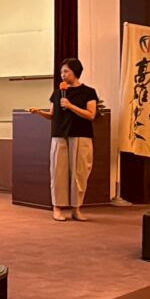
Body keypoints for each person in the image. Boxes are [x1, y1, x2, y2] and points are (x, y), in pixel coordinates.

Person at [28, 58, 99, 222]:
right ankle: (57, 208)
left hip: (81, 135)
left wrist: (70, 105)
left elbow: (91, 115)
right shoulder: (57, 93)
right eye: (61, 72)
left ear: (76, 72)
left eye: (66, 71)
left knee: (79, 173)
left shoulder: (89, 92)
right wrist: (39, 112)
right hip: (59, 135)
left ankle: (76, 209)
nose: (63, 75)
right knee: (58, 172)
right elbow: (52, 115)